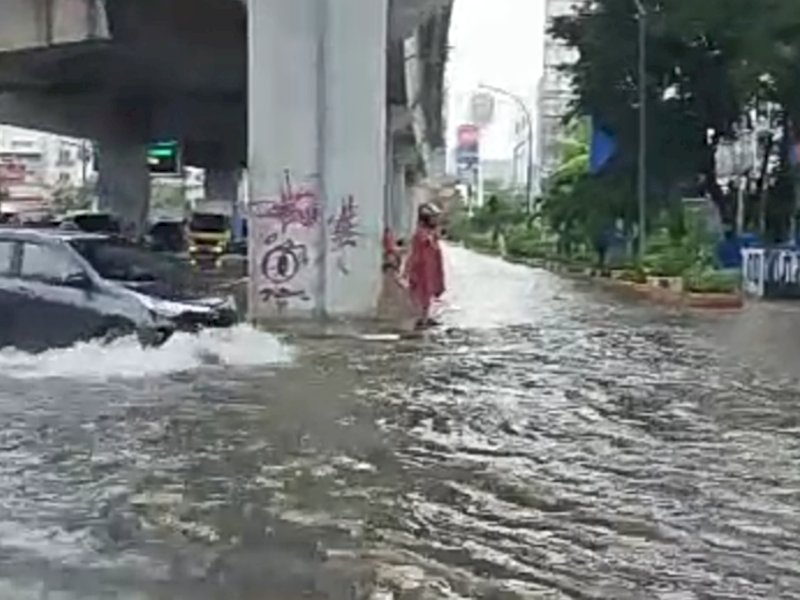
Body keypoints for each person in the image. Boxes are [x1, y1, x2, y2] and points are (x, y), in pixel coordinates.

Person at [406, 203, 445, 329]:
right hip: (422, 269)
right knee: (422, 294)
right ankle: (421, 319)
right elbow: (417, 254)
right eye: (434, 218)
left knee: (428, 293)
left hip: (430, 269)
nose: (436, 221)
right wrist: (410, 270)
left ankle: (425, 317)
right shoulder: (421, 235)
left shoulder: (430, 234)